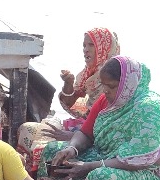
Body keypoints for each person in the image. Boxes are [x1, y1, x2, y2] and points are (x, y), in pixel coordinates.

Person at [17, 28, 121, 171]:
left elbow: (106, 132)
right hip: (81, 129)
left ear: (104, 48)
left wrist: (71, 137)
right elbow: (74, 105)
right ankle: (23, 177)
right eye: (84, 45)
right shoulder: (87, 75)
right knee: (26, 128)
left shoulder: (118, 80)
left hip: (89, 137)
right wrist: (68, 84)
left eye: (91, 45)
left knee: (42, 145)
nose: (85, 50)